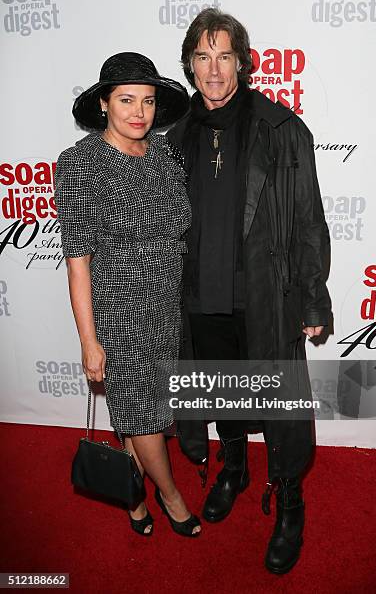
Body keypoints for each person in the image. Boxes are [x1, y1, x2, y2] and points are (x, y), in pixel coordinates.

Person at [167, 9, 331, 571]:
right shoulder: (175, 138)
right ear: (190, 65)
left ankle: (288, 498)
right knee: (221, 393)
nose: (214, 69)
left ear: (243, 60)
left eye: (225, 55)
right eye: (203, 57)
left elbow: (309, 219)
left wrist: (313, 297)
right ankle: (234, 465)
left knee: (282, 407)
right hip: (200, 299)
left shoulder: (282, 129)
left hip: (265, 293)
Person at [55, 52, 201, 537]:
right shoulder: (80, 163)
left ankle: (133, 491)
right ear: (103, 104)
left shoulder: (163, 154)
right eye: (126, 100)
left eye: (148, 101)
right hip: (118, 311)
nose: (139, 111)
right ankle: (171, 495)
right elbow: (78, 261)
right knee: (140, 410)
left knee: (148, 407)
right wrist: (89, 341)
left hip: (166, 306)